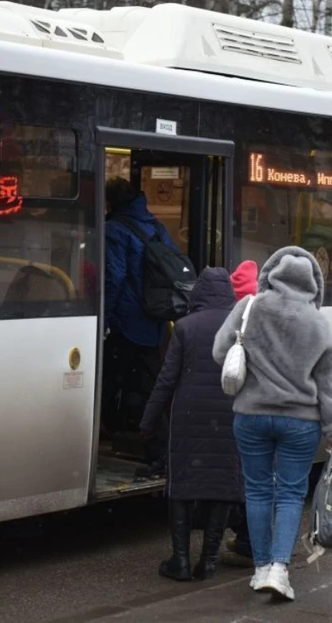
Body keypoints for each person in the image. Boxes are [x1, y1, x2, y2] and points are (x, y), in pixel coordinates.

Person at [213, 246, 332, 602]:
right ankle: (279, 569)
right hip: (300, 422)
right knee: (290, 493)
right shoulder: (318, 322)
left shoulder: (249, 307)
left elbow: (219, 352)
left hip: (251, 416)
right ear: (314, 284)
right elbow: (328, 383)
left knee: (257, 490)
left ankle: (259, 569)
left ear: (270, 274)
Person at [140, 267, 243, 581]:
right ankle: (208, 561)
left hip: (188, 418)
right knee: (223, 487)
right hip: (230, 416)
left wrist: (148, 422)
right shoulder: (241, 328)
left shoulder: (185, 327)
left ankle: (180, 561)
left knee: (182, 488)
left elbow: (166, 379)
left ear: (198, 293)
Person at [102, 177, 176, 471]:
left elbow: (114, 277)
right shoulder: (156, 227)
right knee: (145, 384)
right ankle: (152, 446)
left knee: (112, 382)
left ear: (109, 202)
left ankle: (159, 451)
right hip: (155, 320)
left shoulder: (115, 230)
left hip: (126, 323)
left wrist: (104, 320)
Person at [220, 259, 259, 569]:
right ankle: (255, 542)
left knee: (247, 478)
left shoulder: (232, 324)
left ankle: (247, 541)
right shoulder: (270, 320)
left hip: (245, 416)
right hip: (269, 416)